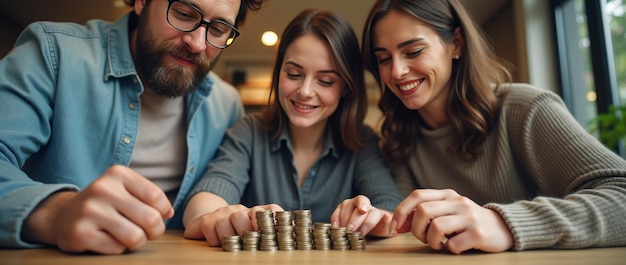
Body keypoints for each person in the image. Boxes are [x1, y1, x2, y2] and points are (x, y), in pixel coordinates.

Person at [0, 0, 266, 255]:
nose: (197, 43)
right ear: (141, 1)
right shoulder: (52, 53)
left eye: (218, 30)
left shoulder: (227, 104)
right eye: (184, 14)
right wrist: (54, 213)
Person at [361, 0, 626, 255]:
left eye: (414, 51)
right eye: (383, 59)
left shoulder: (526, 108)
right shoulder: (401, 136)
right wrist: (375, 218)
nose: (396, 71)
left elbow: (621, 196)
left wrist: (504, 223)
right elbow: (401, 225)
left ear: (456, 44)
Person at [182, 8, 403, 247]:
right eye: (294, 74)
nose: (305, 91)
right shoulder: (249, 132)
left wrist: (372, 215)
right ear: (279, 73)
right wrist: (217, 216)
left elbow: (389, 211)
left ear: (346, 88)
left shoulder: (363, 142)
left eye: (325, 81)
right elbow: (205, 201)